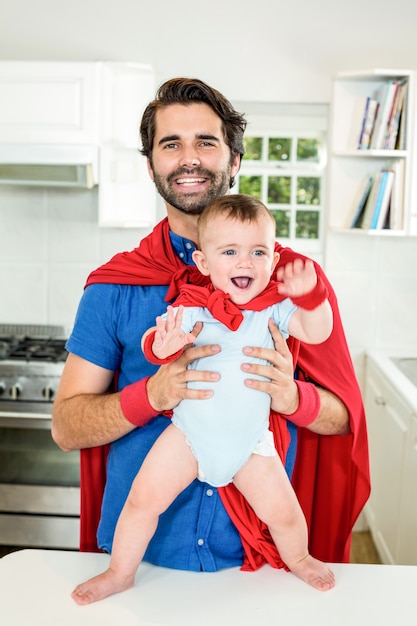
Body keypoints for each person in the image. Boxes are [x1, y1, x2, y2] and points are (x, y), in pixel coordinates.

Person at [52, 77, 370, 578]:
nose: (189, 157)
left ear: (234, 159)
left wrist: (291, 398)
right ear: (152, 163)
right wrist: (153, 394)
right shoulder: (113, 288)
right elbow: (66, 428)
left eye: (206, 141)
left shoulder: (291, 281)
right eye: (170, 143)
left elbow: (344, 419)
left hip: (258, 560)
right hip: (143, 561)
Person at [71, 195, 335, 604]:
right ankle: (119, 572)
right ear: (204, 263)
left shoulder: (274, 308)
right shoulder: (193, 306)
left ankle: (299, 558)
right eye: (230, 252)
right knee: (141, 501)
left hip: (250, 444)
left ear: (273, 258)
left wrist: (312, 298)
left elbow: (316, 332)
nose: (245, 263)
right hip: (189, 437)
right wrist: (165, 343)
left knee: (283, 511)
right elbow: (156, 346)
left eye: (258, 252)